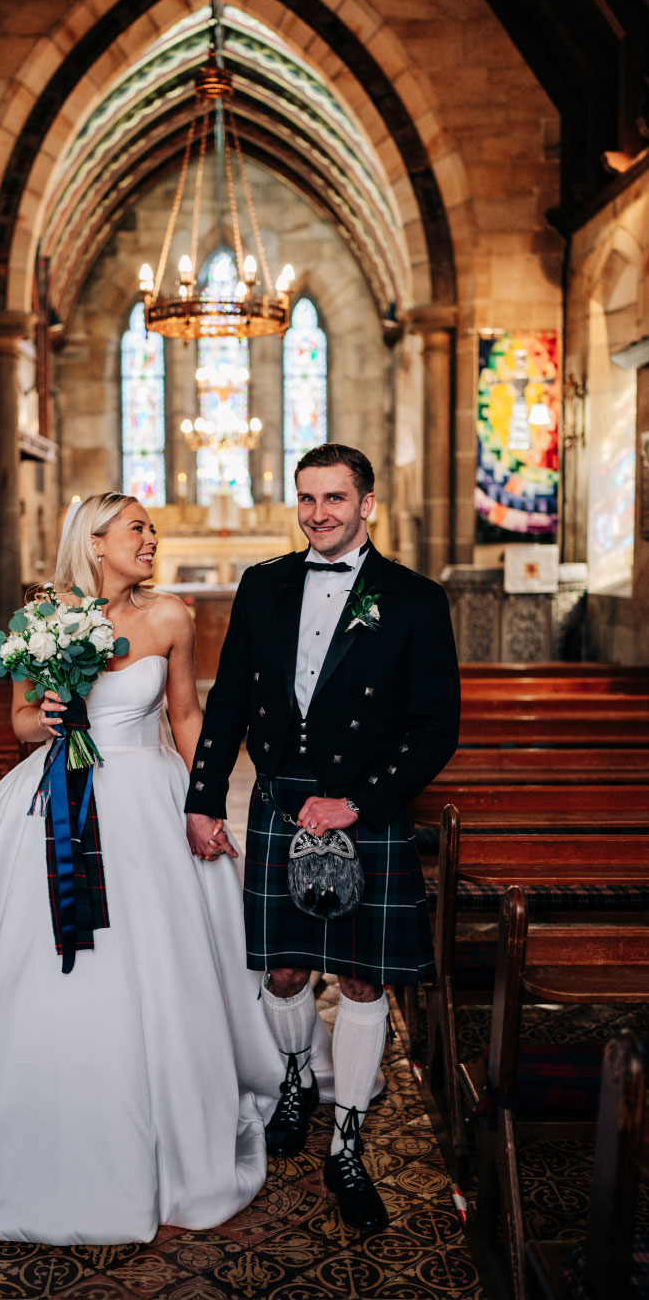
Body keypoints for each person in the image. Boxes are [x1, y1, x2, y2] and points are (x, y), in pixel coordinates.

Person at [0, 492, 288, 1244]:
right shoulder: (42, 619)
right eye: (139, 528)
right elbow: (21, 719)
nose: (152, 539)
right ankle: (56, 1129)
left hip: (147, 800)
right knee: (54, 971)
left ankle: (172, 1129)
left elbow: (188, 715)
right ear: (95, 541)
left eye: (152, 529)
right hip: (61, 797)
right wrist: (50, 717)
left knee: (158, 965)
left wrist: (209, 804)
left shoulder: (170, 618)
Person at [185, 444, 460, 1235]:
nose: (319, 513)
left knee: (368, 981)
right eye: (307, 498)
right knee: (282, 971)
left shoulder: (413, 597)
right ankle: (300, 1076)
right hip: (279, 801)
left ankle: (347, 1140)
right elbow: (229, 694)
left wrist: (360, 803)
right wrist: (204, 799)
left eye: (335, 498)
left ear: (367, 503)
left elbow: (436, 727)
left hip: (364, 810)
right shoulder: (263, 584)